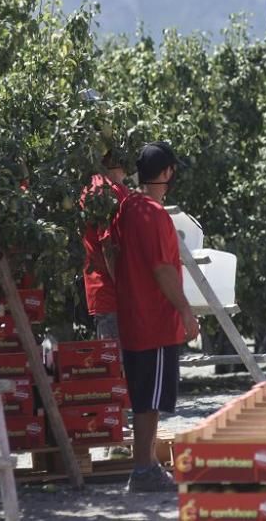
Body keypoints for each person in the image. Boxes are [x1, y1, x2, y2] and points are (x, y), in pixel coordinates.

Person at [113, 141, 201, 491]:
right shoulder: (154, 213)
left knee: (142, 397)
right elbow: (163, 270)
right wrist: (185, 311)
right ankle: (143, 470)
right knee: (150, 402)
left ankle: (146, 464)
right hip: (155, 322)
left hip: (133, 317)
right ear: (167, 173)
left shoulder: (127, 207)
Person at [80, 150, 129, 340]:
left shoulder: (100, 186)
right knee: (117, 362)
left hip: (107, 294)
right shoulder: (105, 191)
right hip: (113, 295)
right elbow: (108, 248)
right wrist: (125, 289)